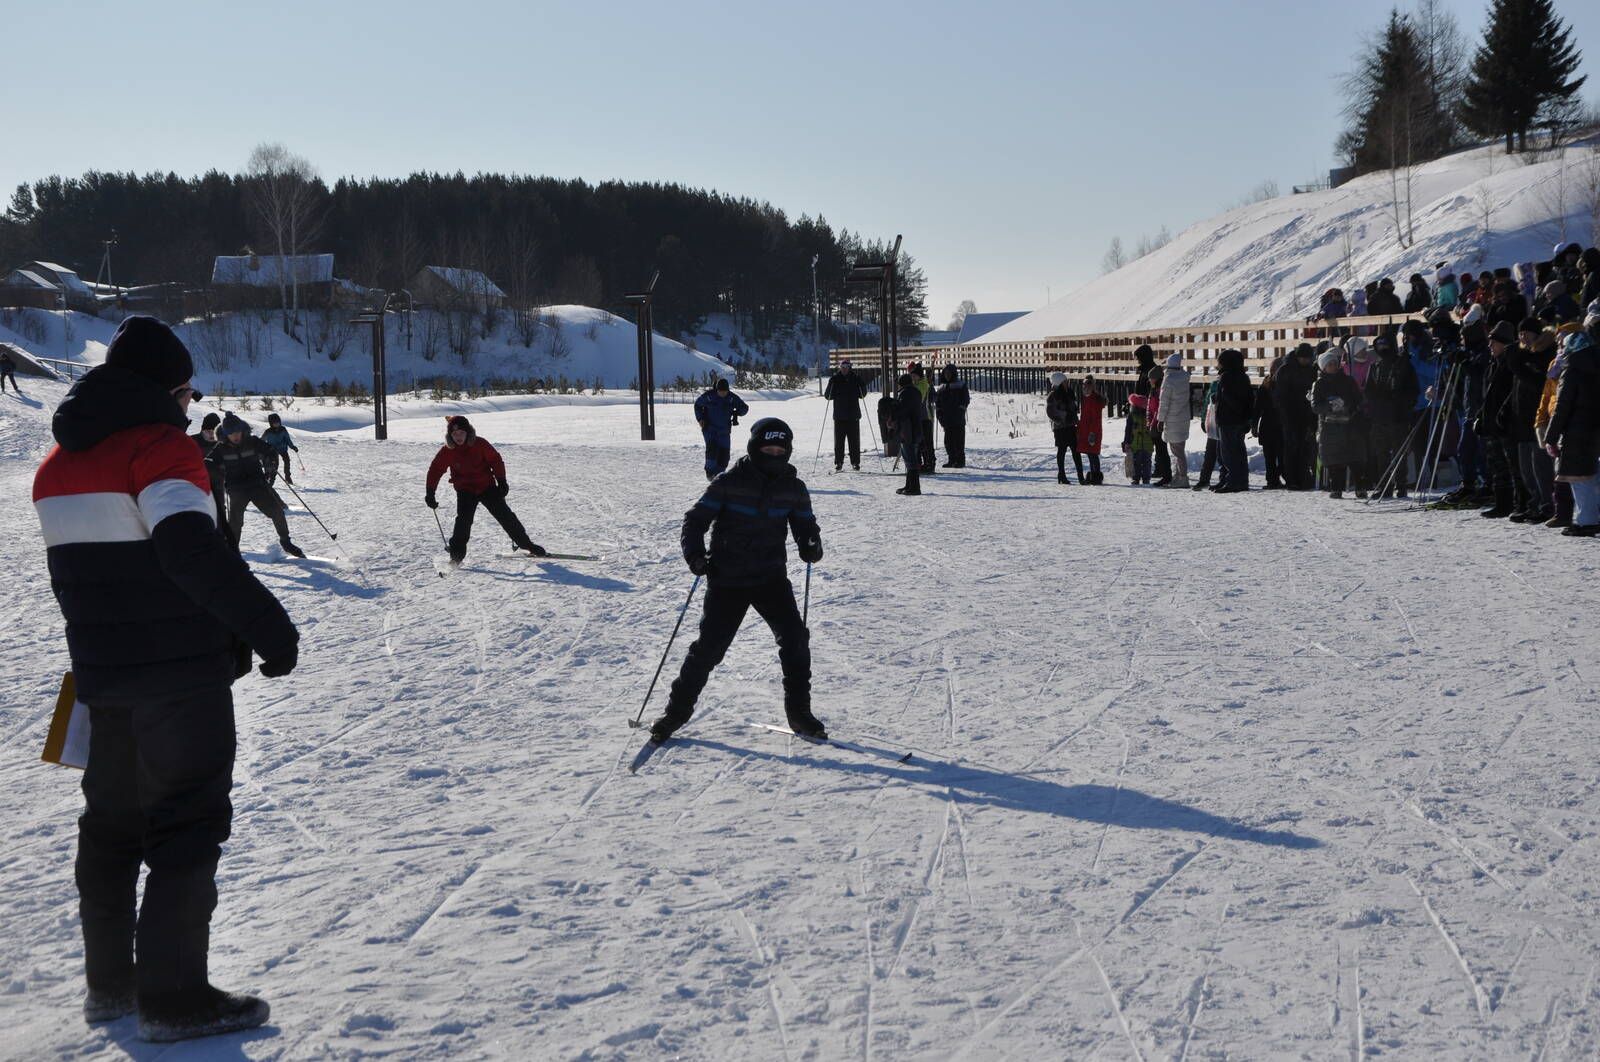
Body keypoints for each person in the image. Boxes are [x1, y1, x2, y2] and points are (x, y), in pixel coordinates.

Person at [32, 314, 297, 1043]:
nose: (190, 405)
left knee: (111, 827)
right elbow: (190, 553)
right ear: (166, 389)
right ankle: (175, 999)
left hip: (99, 679)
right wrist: (268, 628)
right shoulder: (162, 450)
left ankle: (111, 986)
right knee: (186, 820)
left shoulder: (57, 464)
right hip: (178, 678)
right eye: (186, 391)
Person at [648, 418, 825, 741]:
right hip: (727, 579)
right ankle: (675, 714)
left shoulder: (793, 487)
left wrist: (811, 545)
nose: (774, 454)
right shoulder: (728, 482)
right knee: (708, 650)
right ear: (755, 448)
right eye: (768, 448)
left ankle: (799, 712)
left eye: (780, 449)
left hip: (770, 578)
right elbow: (695, 520)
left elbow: (805, 526)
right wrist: (696, 556)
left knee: (795, 640)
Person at [425, 415, 545, 563]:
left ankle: (527, 545)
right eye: (454, 434)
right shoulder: (447, 450)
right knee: (463, 523)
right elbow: (436, 469)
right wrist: (430, 492)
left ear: (468, 432)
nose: (458, 437)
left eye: (461, 433)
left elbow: (496, 460)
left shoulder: (479, 444)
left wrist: (501, 481)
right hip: (465, 491)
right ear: (450, 435)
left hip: (486, 487)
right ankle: (456, 556)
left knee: (506, 517)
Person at [217, 414, 304, 558]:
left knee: (277, 512)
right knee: (235, 522)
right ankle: (232, 550)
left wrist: (270, 464)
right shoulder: (220, 449)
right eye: (231, 433)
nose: (236, 436)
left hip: (257, 485)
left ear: (242, 430)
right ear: (226, 434)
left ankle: (286, 542)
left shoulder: (252, 441)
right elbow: (208, 464)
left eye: (237, 431)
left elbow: (270, 451)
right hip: (236, 489)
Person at [1544, 330, 1600, 536]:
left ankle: (1587, 521)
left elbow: (1563, 407)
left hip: (1577, 430)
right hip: (1595, 430)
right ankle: (1593, 516)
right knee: (1593, 475)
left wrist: (1551, 436)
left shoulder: (1573, 370)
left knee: (1578, 477)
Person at [1474, 320, 1526, 519]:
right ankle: (1502, 503)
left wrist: (1502, 417)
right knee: (1497, 466)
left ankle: (1520, 503)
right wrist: (1481, 416)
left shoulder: (1511, 362)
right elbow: (1488, 395)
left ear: (1503, 343)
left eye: (1493, 343)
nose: (1490, 346)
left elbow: (1510, 394)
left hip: (1507, 424)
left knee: (1513, 466)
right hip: (1492, 423)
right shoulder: (1493, 364)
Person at [1363, 334, 1419, 497]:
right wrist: (1377, 401)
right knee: (1381, 453)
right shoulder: (1375, 366)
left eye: (1385, 345)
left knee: (1399, 452)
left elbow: (1413, 390)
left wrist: (1402, 403)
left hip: (1398, 416)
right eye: (1378, 346)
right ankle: (1384, 485)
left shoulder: (1404, 364)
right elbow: (1368, 390)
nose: (1382, 349)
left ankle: (1400, 485)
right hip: (1380, 417)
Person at [1309, 348, 1365, 498]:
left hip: (1349, 424)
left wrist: (1349, 407)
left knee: (1354, 457)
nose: (1333, 366)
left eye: (1335, 363)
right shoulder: (1318, 384)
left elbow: (1359, 399)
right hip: (1329, 426)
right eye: (1329, 364)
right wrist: (1330, 406)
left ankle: (1360, 487)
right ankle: (1336, 488)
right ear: (1323, 367)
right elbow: (1315, 406)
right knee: (1334, 460)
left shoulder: (1348, 380)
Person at [1275, 343, 1319, 489]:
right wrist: (1285, 415)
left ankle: (1303, 477)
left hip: (1306, 414)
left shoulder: (1310, 370)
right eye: (1304, 358)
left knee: (1304, 448)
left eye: (1308, 358)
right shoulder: (1285, 370)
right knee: (1291, 447)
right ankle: (1291, 479)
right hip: (1290, 414)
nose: (1306, 361)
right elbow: (1280, 396)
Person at [1213, 348, 1253, 492]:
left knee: (1228, 453)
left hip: (1228, 419)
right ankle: (1242, 481)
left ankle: (1232, 481)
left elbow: (1227, 397)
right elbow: (1249, 398)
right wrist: (1245, 416)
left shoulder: (1226, 377)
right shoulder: (1244, 377)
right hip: (1240, 420)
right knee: (1239, 452)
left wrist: (1218, 399)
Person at [694, 378, 748, 481]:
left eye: (725, 392)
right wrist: (700, 418)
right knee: (712, 450)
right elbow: (697, 405)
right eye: (720, 391)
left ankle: (719, 476)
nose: (722, 394)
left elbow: (744, 408)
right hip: (709, 429)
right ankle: (710, 474)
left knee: (724, 456)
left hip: (724, 431)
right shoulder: (709, 396)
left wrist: (737, 412)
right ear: (717, 390)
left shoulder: (731, 398)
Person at [188, 412, 229, 541]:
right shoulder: (192, 442)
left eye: (214, 431)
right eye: (208, 431)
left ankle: (221, 538)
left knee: (219, 510)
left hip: (217, 483)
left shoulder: (223, 444)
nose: (211, 434)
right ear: (202, 430)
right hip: (195, 484)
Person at [822, 358, 867, 472]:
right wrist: (830, 383)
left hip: (853, 415)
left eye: (846, 367)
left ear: (849, 368)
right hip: (839, 416)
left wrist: (862, 384)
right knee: (839, 442)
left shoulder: (855, 379)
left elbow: (863, 395)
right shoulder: (835, 379)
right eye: (842, 367)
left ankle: (855, 462)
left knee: (854, 441)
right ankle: (839, 463)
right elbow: (828, 396)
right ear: (840, 368)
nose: (844, 369)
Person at [1157, 352, 1191, 487]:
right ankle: (1178, 476)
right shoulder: (1185, 378)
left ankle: (1182, 478)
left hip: (1172, 419)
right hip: (1183, 418)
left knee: (1177, 452)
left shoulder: (1169, 379)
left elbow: (1164, 402)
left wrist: (1160, 419)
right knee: (1180, 449)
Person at [1253, 357, 1284, 489]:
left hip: (1277, 426)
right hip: (1270, 426)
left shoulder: (1282, 384)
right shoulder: (1266, 385)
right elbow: (1257, 407)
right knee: (1271, 457)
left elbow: (1257, 408)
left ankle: (1276, 477)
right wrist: (1254, 424)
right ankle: (1272, 480)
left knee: (1279, 455)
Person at [1045, 372, 1081, 484]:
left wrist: (1075, 418)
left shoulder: (1070, 393)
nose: (1067, 383)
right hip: (1060, 427)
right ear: (1059, 383)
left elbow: (1074, 408)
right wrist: (1063, 416)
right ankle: (1061, 475)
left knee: (1076, 451)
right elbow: (1050, 412)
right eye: (1064, 382)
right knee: (1062, 451)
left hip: (1071, 426)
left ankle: (1081, 476)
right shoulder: (1053, 395)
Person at [891, 373, 924, 496]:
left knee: (910, 460)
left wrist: (895, 408)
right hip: (916, 429)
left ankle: (914, 487)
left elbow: (903, 412)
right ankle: (909, 485)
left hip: (908, 431)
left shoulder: (905, 394)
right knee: (911, 458)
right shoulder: (916, 392)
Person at [934, 364, 970, 468]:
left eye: (949, 373)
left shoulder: (961, 385)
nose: (947, 375)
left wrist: (960, 410)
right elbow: (938, 403)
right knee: (948, 442)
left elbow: (966, 400)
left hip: (958, 418)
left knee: (959, 441)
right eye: (945, 373)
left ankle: (960, 461)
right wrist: (939, 415)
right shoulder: (941, 388)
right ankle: (951, 459)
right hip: (947, 419)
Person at [1077, 376, 1106, 484]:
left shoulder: (1094, 399)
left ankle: (1096, 474)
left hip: (1092, 431)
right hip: (1086, 429)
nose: (1085, 387)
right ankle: (1094, 473)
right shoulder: (1086, 398)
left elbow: (1095, 418)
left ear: (1092, 386)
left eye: (1087, 384)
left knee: (1093, 453)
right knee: (1090, 453)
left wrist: (1092, 432)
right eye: (1084, 384)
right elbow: (1084, 416)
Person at [909, 362, 937, 474]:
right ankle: (919, 463)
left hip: (924, 418)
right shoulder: (916, 384)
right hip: (917, 418)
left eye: (914, 376)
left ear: (919, 376)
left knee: (927, 443)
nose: (913, 378)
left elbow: (918, 398)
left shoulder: (923, 384)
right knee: (918, 443)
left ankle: (929, 463)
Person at [1122, 393, 1155, 484]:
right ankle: (1146, 478)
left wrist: (1126, 442)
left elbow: (1128, 431)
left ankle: (1136, 478)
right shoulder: (1148, 415)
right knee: (1146, 462)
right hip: (1147, 443)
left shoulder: (1132, 416)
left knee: (1137, 461)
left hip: (1135, 443)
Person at [260, 413, 298, 486]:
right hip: (272, 451)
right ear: (271, 424)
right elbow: (261, 441)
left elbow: (287, 439)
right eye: (275, 423)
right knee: (274, 465)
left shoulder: (283, 429)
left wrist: (292, 447)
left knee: (287, 461)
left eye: (278, 422)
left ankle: (287, 476)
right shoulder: (268, 432)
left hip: (283, 449)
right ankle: (271, 478)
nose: (277, 424)